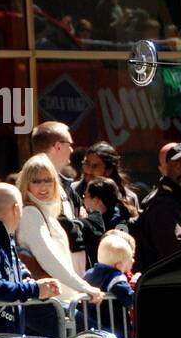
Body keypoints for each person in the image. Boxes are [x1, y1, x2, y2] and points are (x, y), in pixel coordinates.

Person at [0, 184, 61, 336]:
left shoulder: (4, 239)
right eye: (22, 207)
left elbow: (20, 276)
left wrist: (40, 285)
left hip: (8, 336)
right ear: (16, 208)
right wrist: (36, 290)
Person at [15, 155, 103, 304]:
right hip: (49, 305)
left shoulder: (47, 213)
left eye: (48, 180)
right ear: (26, 184)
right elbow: (50, 259)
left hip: (63, 302)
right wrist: (84, 287)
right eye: (36, 181)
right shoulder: (30, 213)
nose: (43, 186)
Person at [135, 143, 181, 271]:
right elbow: (175, 253)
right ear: (167, 167)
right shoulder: (161, 204)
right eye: (179, 163)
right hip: (167, 280)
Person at [30, 121, 87, 275]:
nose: (72, 150)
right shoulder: (30, 185)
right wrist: (79, 224)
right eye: (70, 144)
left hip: (74, 281)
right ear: (58, 146)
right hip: (54, 282)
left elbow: (91, 221)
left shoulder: (67, 186)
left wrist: (79, 224)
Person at [81, 141, 140, 219]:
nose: (89, 170)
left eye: (95, 166)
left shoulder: (128, 198)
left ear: (109, 170)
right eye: (87, 164)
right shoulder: (74, 190)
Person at [79, 177, 130, 265]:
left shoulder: (117, 224)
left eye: (85, 196)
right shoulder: (120, 217)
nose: (83, 200)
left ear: (96, 200)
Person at [84, 230, 137, 312]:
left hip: (90, 317)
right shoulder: (116, 276)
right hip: (111, 319)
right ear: (118, 265)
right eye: (129, 259)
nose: (133, 261)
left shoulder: (89, 273)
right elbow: (128, 295)